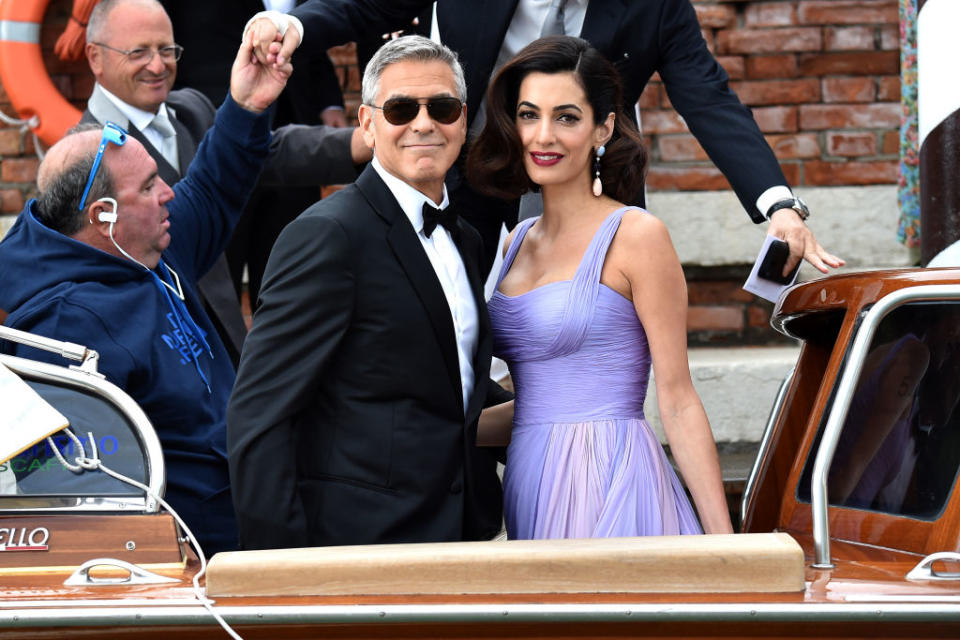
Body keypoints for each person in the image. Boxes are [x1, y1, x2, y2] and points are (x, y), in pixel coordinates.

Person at [246, 0, 844, 277]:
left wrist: (779, 206)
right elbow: (367, 7)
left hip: (594, 186)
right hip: (471, 174)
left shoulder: (655, 6)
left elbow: (709, 97)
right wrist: (291, 24)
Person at [0, 30, 291, 554]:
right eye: (150, 185)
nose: (168, 194)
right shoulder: (65, 324)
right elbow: (72, 485)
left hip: (253, 519)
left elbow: (211, 186)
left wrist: (247, 104)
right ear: (102, 216)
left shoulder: (145, 244)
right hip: (195, 566)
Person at [227, 36, 511, 550]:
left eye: (442, 108)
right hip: (357, 545)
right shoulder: (327, 236)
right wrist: (278, 576)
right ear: (366, 124)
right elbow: (260, 415)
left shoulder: (464, 237)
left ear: (463, 120)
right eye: (401, 109)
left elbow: (451, 378)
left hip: (463, 533)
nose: (424, 123)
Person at [467, 36, 733, 538]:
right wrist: (415, 437)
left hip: (611, 479)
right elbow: (542, 404)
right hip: (530, 481)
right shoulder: (515, 244)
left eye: (566, 117)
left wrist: (725, 547)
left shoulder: (637, 235)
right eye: (529, 115)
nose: (543, 136)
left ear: (602, 128)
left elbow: (677, 400)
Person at [82, 0, 367, 363]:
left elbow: (263, 153)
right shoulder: (83, 164)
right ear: (95, 57)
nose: (157, 65)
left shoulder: (190, 109)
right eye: (138, 52)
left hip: (229, 353)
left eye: (167, 50)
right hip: (160, 368)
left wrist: (363, 142)